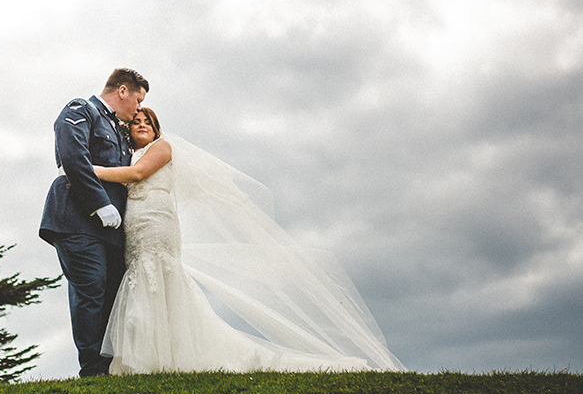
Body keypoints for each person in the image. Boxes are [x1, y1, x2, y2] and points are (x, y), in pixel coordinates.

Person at [94, 108, 404, 374]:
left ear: (156, 127)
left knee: (160, 275)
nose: (143, 123)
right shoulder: (127, 154)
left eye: (148, 119)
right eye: (136, 121)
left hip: (158, 222)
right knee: (140, 276)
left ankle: (166, 355)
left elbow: (136, 175)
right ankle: (148, 353)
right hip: (135, 222)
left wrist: (90, 170)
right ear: (128, 130)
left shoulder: (163, 147)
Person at [39, 68, 149, 376]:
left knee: (113, 292)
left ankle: (111, 365)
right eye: (137, 100)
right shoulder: (80, 110)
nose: (138, 109)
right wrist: (100, 203)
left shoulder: (120, 130)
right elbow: (73, 157)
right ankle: (93, 368)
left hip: (112, 229)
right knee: (92, 288)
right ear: (123, 92)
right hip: (77, 218)